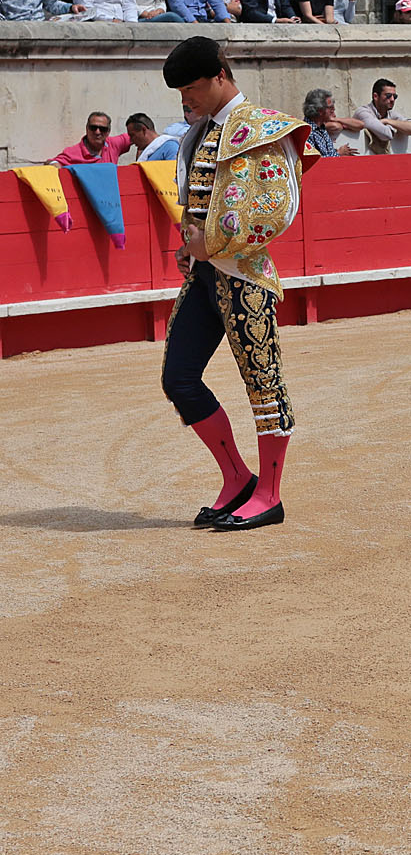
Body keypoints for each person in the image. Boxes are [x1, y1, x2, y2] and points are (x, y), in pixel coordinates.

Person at [159, 36, 310, 532]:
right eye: (180, 90)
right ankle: (238, 478)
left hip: (245, 276)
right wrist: (190, 242)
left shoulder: (265, 129)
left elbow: (278, 209)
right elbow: (202, 201)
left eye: (193, 87)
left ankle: (270, 495)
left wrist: (212, 243)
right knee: (178, 378)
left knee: (264, 386)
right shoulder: (199, 131)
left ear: (221, 75)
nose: (186, 98)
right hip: (204, 277)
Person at [355, 78, 411, 154]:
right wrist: (394, 126)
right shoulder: (363, 112)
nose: (392, 99)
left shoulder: (391, 114)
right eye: (388, 96)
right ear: (375, 96)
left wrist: (387, 121)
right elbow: (386, 135)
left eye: (395, 96)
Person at [49, 111, 129, 166]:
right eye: (93, 128)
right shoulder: (74, 152)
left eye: (102, 129)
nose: (97, 132)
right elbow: (51, 162)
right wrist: (55, 166)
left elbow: (136, 136)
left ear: (108, 131)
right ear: (87, 128)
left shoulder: (114, 144)